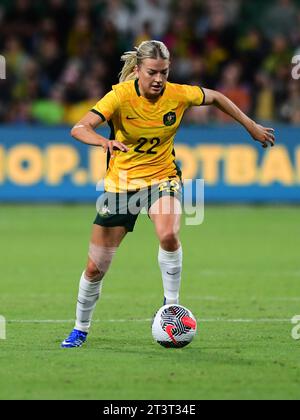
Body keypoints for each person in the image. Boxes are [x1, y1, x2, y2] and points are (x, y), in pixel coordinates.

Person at [61, 40, 275, 348]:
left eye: (164, 71)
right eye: (152, 72)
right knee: (95, 268)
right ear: (137, 70)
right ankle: (80, 329)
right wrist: (103, 142)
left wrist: (250, 125)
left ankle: (170, 305)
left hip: (162, 179)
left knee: (168, 235)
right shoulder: (119, 97)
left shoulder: (177, 94)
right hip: (121, 186)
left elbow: (214, 97)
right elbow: (79, 128)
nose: (159, 79)